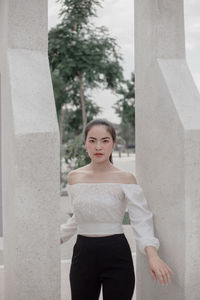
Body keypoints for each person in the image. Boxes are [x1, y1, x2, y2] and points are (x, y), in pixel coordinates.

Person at [60, 118, 174, 300]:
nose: (98, 147)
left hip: (116, 254)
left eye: (105, 141)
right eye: (92, 140)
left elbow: (141, 219)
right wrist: (57, 237)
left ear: (113, 144)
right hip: (83, 254)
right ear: (85, 144)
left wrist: (152, 256)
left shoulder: (126, 178)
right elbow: (80, 216)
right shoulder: (74, 177)